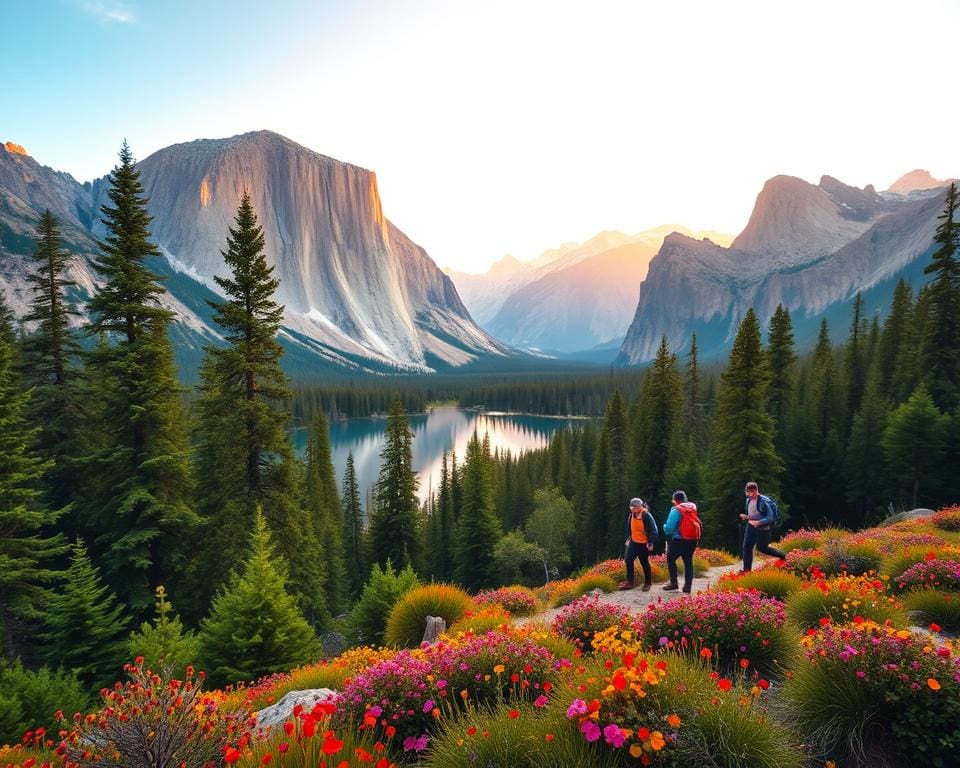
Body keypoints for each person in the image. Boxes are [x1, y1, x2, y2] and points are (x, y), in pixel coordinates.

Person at [740, 481, 786, 571]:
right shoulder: (748, 500)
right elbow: (754, 513)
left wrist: (758, 522)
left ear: (757, 490)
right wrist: (747, 517)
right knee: (747, 547)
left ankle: (784, 556)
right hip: (751, 526)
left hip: (763, 529)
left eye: (753, 492)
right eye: (748, 492)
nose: (751, 494)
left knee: (762, 548)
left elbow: (770, 517)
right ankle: (746, 571)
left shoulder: (763, 501)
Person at [661, 490, 698, 593]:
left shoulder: (676, 510)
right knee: (688, 561)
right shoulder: (692, 507)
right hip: (692, 539)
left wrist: (664, 527)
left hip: (679, 540)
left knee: (670, 558)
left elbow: (669, 529)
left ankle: (674, 583)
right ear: (685, 499)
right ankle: (687, 586)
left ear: (675, 500)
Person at [618, 497, 658, 591]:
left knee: (644, 562)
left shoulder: (646, 515)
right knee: (628, 560)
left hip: (644, 543)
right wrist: (629, 537)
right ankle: (630, 582)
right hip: (634, 541)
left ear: (639, 506)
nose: (631, 509)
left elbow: (654, 531)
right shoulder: (632, 514)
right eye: (631, 507)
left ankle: (648, 583)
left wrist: (650, 542)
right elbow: (631, 526)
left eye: (633, 507)